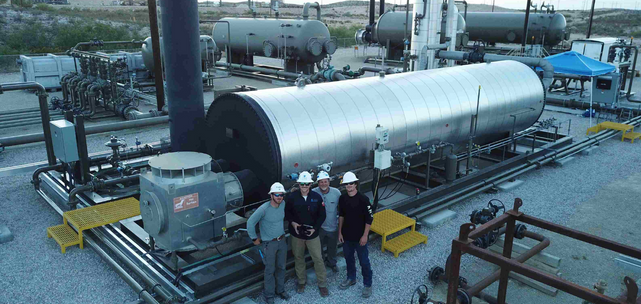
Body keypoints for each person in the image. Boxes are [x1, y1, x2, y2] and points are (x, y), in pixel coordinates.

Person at [285, 171, 329, 297]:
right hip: (297, 234)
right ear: (299, 184)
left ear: (310, 184)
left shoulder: (317, 197)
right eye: (302, 184)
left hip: (312, 235)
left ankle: (322, 284)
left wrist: (315, 229)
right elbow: (287, 213)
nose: (304, 186)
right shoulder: (292, 197)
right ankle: (301, 282)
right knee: (298, 258)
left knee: (318, 259)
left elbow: (322, 215)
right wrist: (293, 223)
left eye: (306, 184)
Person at [246, 182, 291, 304]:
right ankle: (269, 295)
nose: (279, 197)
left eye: (281, 195)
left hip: (282, 241)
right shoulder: (263, 209)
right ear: (271, 195)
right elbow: (250, 223)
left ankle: (280, 290)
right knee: (270, 270)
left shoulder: (283, 204)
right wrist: (254, 239)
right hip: (269, 244)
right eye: (276, 194)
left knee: (281, 267)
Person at [338, 171, 374, 298]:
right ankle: (351, 278)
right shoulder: (342, 199)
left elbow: (369, 219)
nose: (349, 186)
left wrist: (365, 236)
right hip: (347, 237)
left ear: (356, 184)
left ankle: (367, 284)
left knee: (364, 261)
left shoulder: (364, 200)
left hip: (360, 238)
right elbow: (341, 215)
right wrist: (340, 232)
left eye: (351, 183)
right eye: (347, 184)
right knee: (349, 259)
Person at [312, 171, 341, 273]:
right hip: (319, 227)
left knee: (332, 247)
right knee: (318, 248)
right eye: (321, 182)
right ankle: (322, 264)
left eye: (325, 181)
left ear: (329, 182)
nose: (323, 184)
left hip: (332, 226)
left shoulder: (336, 193)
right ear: (318, 183)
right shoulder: (313, 193)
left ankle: (332, 263)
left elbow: (341, 209)